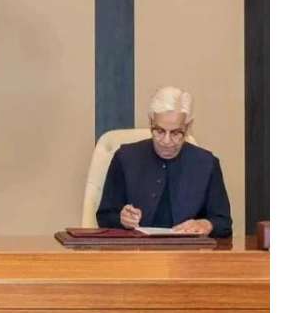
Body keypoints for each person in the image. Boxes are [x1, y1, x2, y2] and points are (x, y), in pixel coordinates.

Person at [96, 86, 232, 237]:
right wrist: (122, 219)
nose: (166, 141)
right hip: (136, 249)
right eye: (159, 131)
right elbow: (104, 216)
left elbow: (224, 223)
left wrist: (206, 224)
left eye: (175, 133)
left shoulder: (207, 164)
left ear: (188, 127)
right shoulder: (125, 158)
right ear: (151, 122)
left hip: (188, 250)